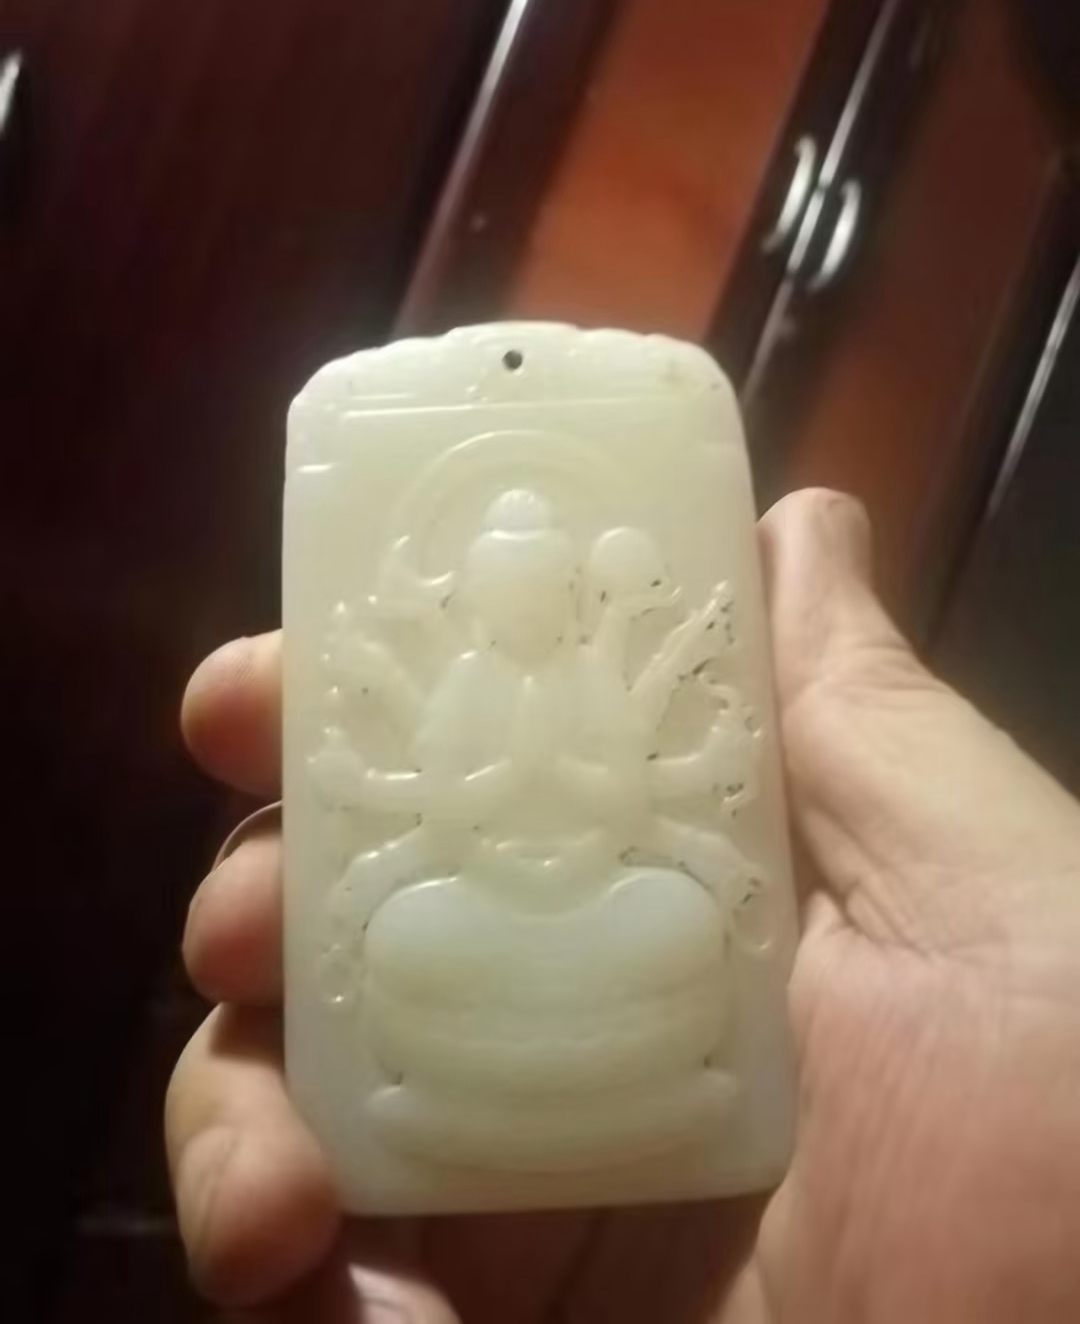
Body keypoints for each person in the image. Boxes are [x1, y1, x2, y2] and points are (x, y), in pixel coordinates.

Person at [166, 491, 1080, 1322]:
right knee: (405, 935)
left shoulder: (586, 678)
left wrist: (558, 775)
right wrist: (512, 774)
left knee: (681, 921)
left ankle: (556, 1087)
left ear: (566, 598)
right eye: (508, 599)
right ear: (483, 604)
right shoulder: (470, 683)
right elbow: (443, 817)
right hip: (484, 904)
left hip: (600, 899)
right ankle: (482, 1093)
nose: (527, 614)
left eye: (542, 595)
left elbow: (627, 806)